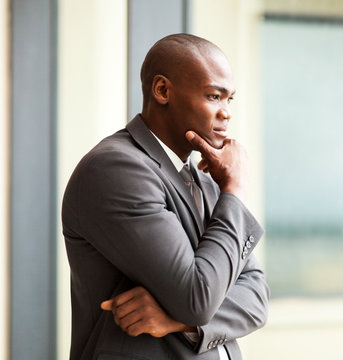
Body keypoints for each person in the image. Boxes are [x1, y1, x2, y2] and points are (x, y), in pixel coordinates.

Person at [62, 33, 269, 360]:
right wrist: (237, 189)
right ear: (162, 90)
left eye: (230, 99)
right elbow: (197, 299)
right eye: (214, 96)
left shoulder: (205, 176)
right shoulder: (116, 170)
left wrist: (179, 322)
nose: (226, 112)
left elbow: (256, 299)